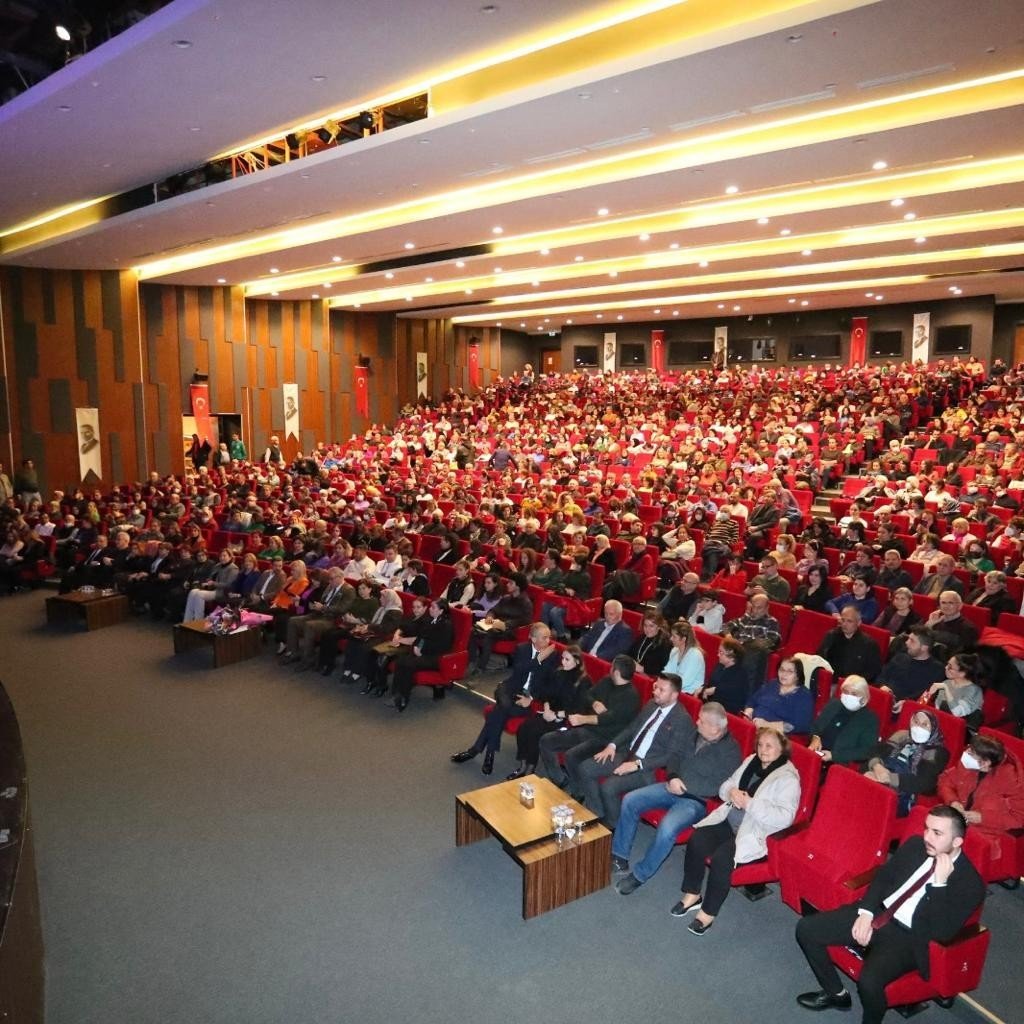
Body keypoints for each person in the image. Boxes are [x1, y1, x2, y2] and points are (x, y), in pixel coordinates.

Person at [794, 806, 985, 1024]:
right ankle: (836, 994)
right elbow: (884, 877)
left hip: (909, 938)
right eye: (927, 828)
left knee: (869, 982)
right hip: (879, 912)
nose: (927, 837)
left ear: (957, 841)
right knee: (807, 929)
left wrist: (939, 885)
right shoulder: (915, 846)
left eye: (937, 833)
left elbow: (942, 932)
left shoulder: (970, 884)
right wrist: (866, 913)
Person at [674, 727, 801, 934]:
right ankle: (692, 894)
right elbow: (727, 785)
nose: (763, 750)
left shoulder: (788, 778)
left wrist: (749, 803)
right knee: (697, 840)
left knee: (722, 859)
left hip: (754, 830)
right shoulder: (751, 760)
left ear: (782, 749)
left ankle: (707, 913)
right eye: (760, 744)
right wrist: (731, 791)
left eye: (769, 746)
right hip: (729, 818)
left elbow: (785, 818)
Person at [612, 702, 742, 893]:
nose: (696, 722)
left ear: (715, 728)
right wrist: (672, 776)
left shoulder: (731, 751)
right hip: (671, 785)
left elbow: (721, 784)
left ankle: (640, 874)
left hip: (696, 800)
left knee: (667, 827)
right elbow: (674, 756)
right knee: (630, 800)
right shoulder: (694, 734)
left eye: (701, 721)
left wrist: (685, 788)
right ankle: (619, 856)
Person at [575, 673, 693, 825]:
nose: (655, 692)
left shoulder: (682, 719)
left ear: (674, 695)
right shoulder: (652, 704)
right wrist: (612, 745)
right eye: (656, 687)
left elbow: (671, 755)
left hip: (647, 767)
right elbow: (632, 728)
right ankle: (596, 812)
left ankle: (613, 824)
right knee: (586, 769)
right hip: (627, 753)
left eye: (661, 690)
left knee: (609, 787)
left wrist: (637, 764)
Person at [451, 623, 560, 774]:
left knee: (499, 711)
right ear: (533, 638)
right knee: (503, 706)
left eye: (549, 637)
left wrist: (532, 698)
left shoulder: (554, 655)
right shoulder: (522, 649)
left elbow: (549, 684)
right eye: (544, 637)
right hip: (510, 690)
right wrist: (539, 659)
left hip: (528, 697)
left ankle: (480, 752)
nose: (549, 641)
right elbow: (519, 670)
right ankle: (482, 753)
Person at [537, 654, 642, 792]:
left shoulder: (630, 697)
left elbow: (608, 718)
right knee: (547, 740)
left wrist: (582, 719)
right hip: (589, 730)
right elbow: (587, 695)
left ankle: (578, 792)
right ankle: (560, 780)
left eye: (612, 667)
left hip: (605, 739)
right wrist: (595, 702)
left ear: (616, 672)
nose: (610, 669)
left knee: (572, 756)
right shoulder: (607, 681)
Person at [936, 733, 1024, 866]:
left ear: (985, 763)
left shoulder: (1012, 780)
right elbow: (945, 780)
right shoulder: (970, 763)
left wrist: (982, 818)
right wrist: (953, 801)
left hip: (987, 832)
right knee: (931, 828)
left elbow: (1018, 819)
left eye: (971, 752)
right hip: (959, 821)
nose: (966, 753)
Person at [508, 645, 589, 779]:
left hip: (565, 719)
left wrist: (556, 715)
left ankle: (530, 769)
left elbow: (579, 708)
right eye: (562, 658)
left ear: (577, 662)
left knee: (534, 732)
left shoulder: (583, 681)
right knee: (524, 728)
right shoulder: (559, 673)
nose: (563, 662)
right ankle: (523, 766)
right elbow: (545, 694)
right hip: (549, 712)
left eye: (567, 660)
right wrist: (546, 709)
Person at [865, 709, 949, 817]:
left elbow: (924, 782)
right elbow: (876, 751)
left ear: (933, 728)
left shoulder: (937, 751)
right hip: (881, 773)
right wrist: (876, 766)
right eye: (916, 722)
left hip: (904, 789)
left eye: (925, 725)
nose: (918, 727)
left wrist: (890, 778)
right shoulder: (902, 735)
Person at [387, 598, 455, 711]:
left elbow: (441, 646)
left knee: (408, 664)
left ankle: (403, 698)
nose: (430, 609)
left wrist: (422, 650)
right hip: (423, 652)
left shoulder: (446, 625)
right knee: (401, 661)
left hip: (435, 657)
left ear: (441, 611)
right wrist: (416, 647)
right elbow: (421, 637)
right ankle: (396, 694)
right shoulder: (430, 620)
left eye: (433, 607)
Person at [465, 572, 533, 674]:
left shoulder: (526, 603)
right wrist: (489, 617)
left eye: (510, 583)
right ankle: (472, 661)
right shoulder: (506, 598)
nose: (507, 585)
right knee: (473, 630)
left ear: (518, 586)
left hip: (510, 630)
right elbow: (493, 610)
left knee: (490, 634)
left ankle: (481, 667)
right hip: (497, 625)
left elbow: (525, 621)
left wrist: (507, 624)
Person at [334, 588, 404, 681]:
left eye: (382, 597)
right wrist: (364, 627)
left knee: (364, 647)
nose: (380, 599)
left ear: (389, 599)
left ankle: (357, 672)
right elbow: (373, 622)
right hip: (373, 632)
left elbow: (387, 629)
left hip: (383, 636)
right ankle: (348, 668)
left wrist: (369, 627)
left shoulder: (395, 612)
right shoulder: (382, 608)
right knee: (353, 640)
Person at [807, 676, 880, 766]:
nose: (849, 696)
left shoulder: (869, 719)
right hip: (815, 753)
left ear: (863, 697)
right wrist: (815, 737)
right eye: (846, 692)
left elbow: (866, 751)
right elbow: (815, 726)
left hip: (838, 762)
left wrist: (834, 756)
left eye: (854, 694)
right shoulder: (834, 704)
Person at [723, 593, 783, 691]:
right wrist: (729, 636)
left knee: (752, 653)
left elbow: (773, 640)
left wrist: (748, 644)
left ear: (767, 607)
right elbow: (725, 626)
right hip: (737, 649)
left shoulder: (772, 622)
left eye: (759, 608)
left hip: (752, 653)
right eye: (753, 607)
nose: (755, 610)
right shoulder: (745, 618)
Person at [876, 627, 946, 707]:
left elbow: (926, 695)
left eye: (912, 641)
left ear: (924, 647)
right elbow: (881, 676)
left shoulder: (936, 670)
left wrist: (906, 703)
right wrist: (882, 686)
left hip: (907, 708)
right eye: (908, 639)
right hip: (883, 698)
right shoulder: (900, 657)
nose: (907, 643)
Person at [745, 657, 815, 734]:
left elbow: (800, 726)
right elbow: (752, 701)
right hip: (752, 725)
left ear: (798, 676)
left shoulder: (803, 695)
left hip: (775, 735)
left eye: (789, 671)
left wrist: (766, 725)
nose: (784, 674)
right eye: (781, 670)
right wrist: (749, 710)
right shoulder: (773, 684)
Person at [817, 607, 883, 682]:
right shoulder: (831, 636)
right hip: (829, 680)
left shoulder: (869, 645)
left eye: (849, 621)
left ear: (858, 623)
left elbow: (873, 671)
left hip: (852, 686)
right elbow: (820, 658)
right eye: (843, 620)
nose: (844, 624)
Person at [922, 653, 984, 728]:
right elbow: (937, 708)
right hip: (943, 724)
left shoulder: (974, 691)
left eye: (950, 667)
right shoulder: (946, 683)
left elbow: (957, 712)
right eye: (947, 664)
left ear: (962, 673)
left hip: (962, 729)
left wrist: (946, 688)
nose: (945, 667)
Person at [181, 548, 240, 622]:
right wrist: (208, 581)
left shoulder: (233, 568)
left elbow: (229, 585)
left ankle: (198, 621)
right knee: (193, 592)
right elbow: (210, 577)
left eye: (224, 556)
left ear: (230, 557)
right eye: (221, 556)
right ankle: (187, 621)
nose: (222, 558)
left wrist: (214, 583)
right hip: (211, 588)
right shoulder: (218, 565)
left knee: (199, 594)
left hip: (222, 592)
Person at [700, 638, 749, 714]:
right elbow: (710, 683)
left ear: (732, 657)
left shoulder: (740, 675)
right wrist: (703, 690)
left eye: (721, 652)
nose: (718, 655)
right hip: (710, 705)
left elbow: (730, 695)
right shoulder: (720, 665)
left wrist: (715, 690)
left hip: (725, 712)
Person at [662, 620, 706, 694]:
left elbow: (685, 681)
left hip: (689, 693)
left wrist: (665, 687)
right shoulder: (675, 650)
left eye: (674, 636)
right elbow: (668, 671)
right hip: (674, 689)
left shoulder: (695, 655)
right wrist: (661, 681)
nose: (671, 639)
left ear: (683, 639)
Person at [628, 612, 672, 676]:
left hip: (650, 678)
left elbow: (663, 668)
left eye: (651, 626)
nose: (647, 629)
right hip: (633, 673)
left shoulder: (665, 644)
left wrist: (643, 669)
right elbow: (629, 654)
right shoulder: (642, 637)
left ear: (659, 627)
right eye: (645, 625)